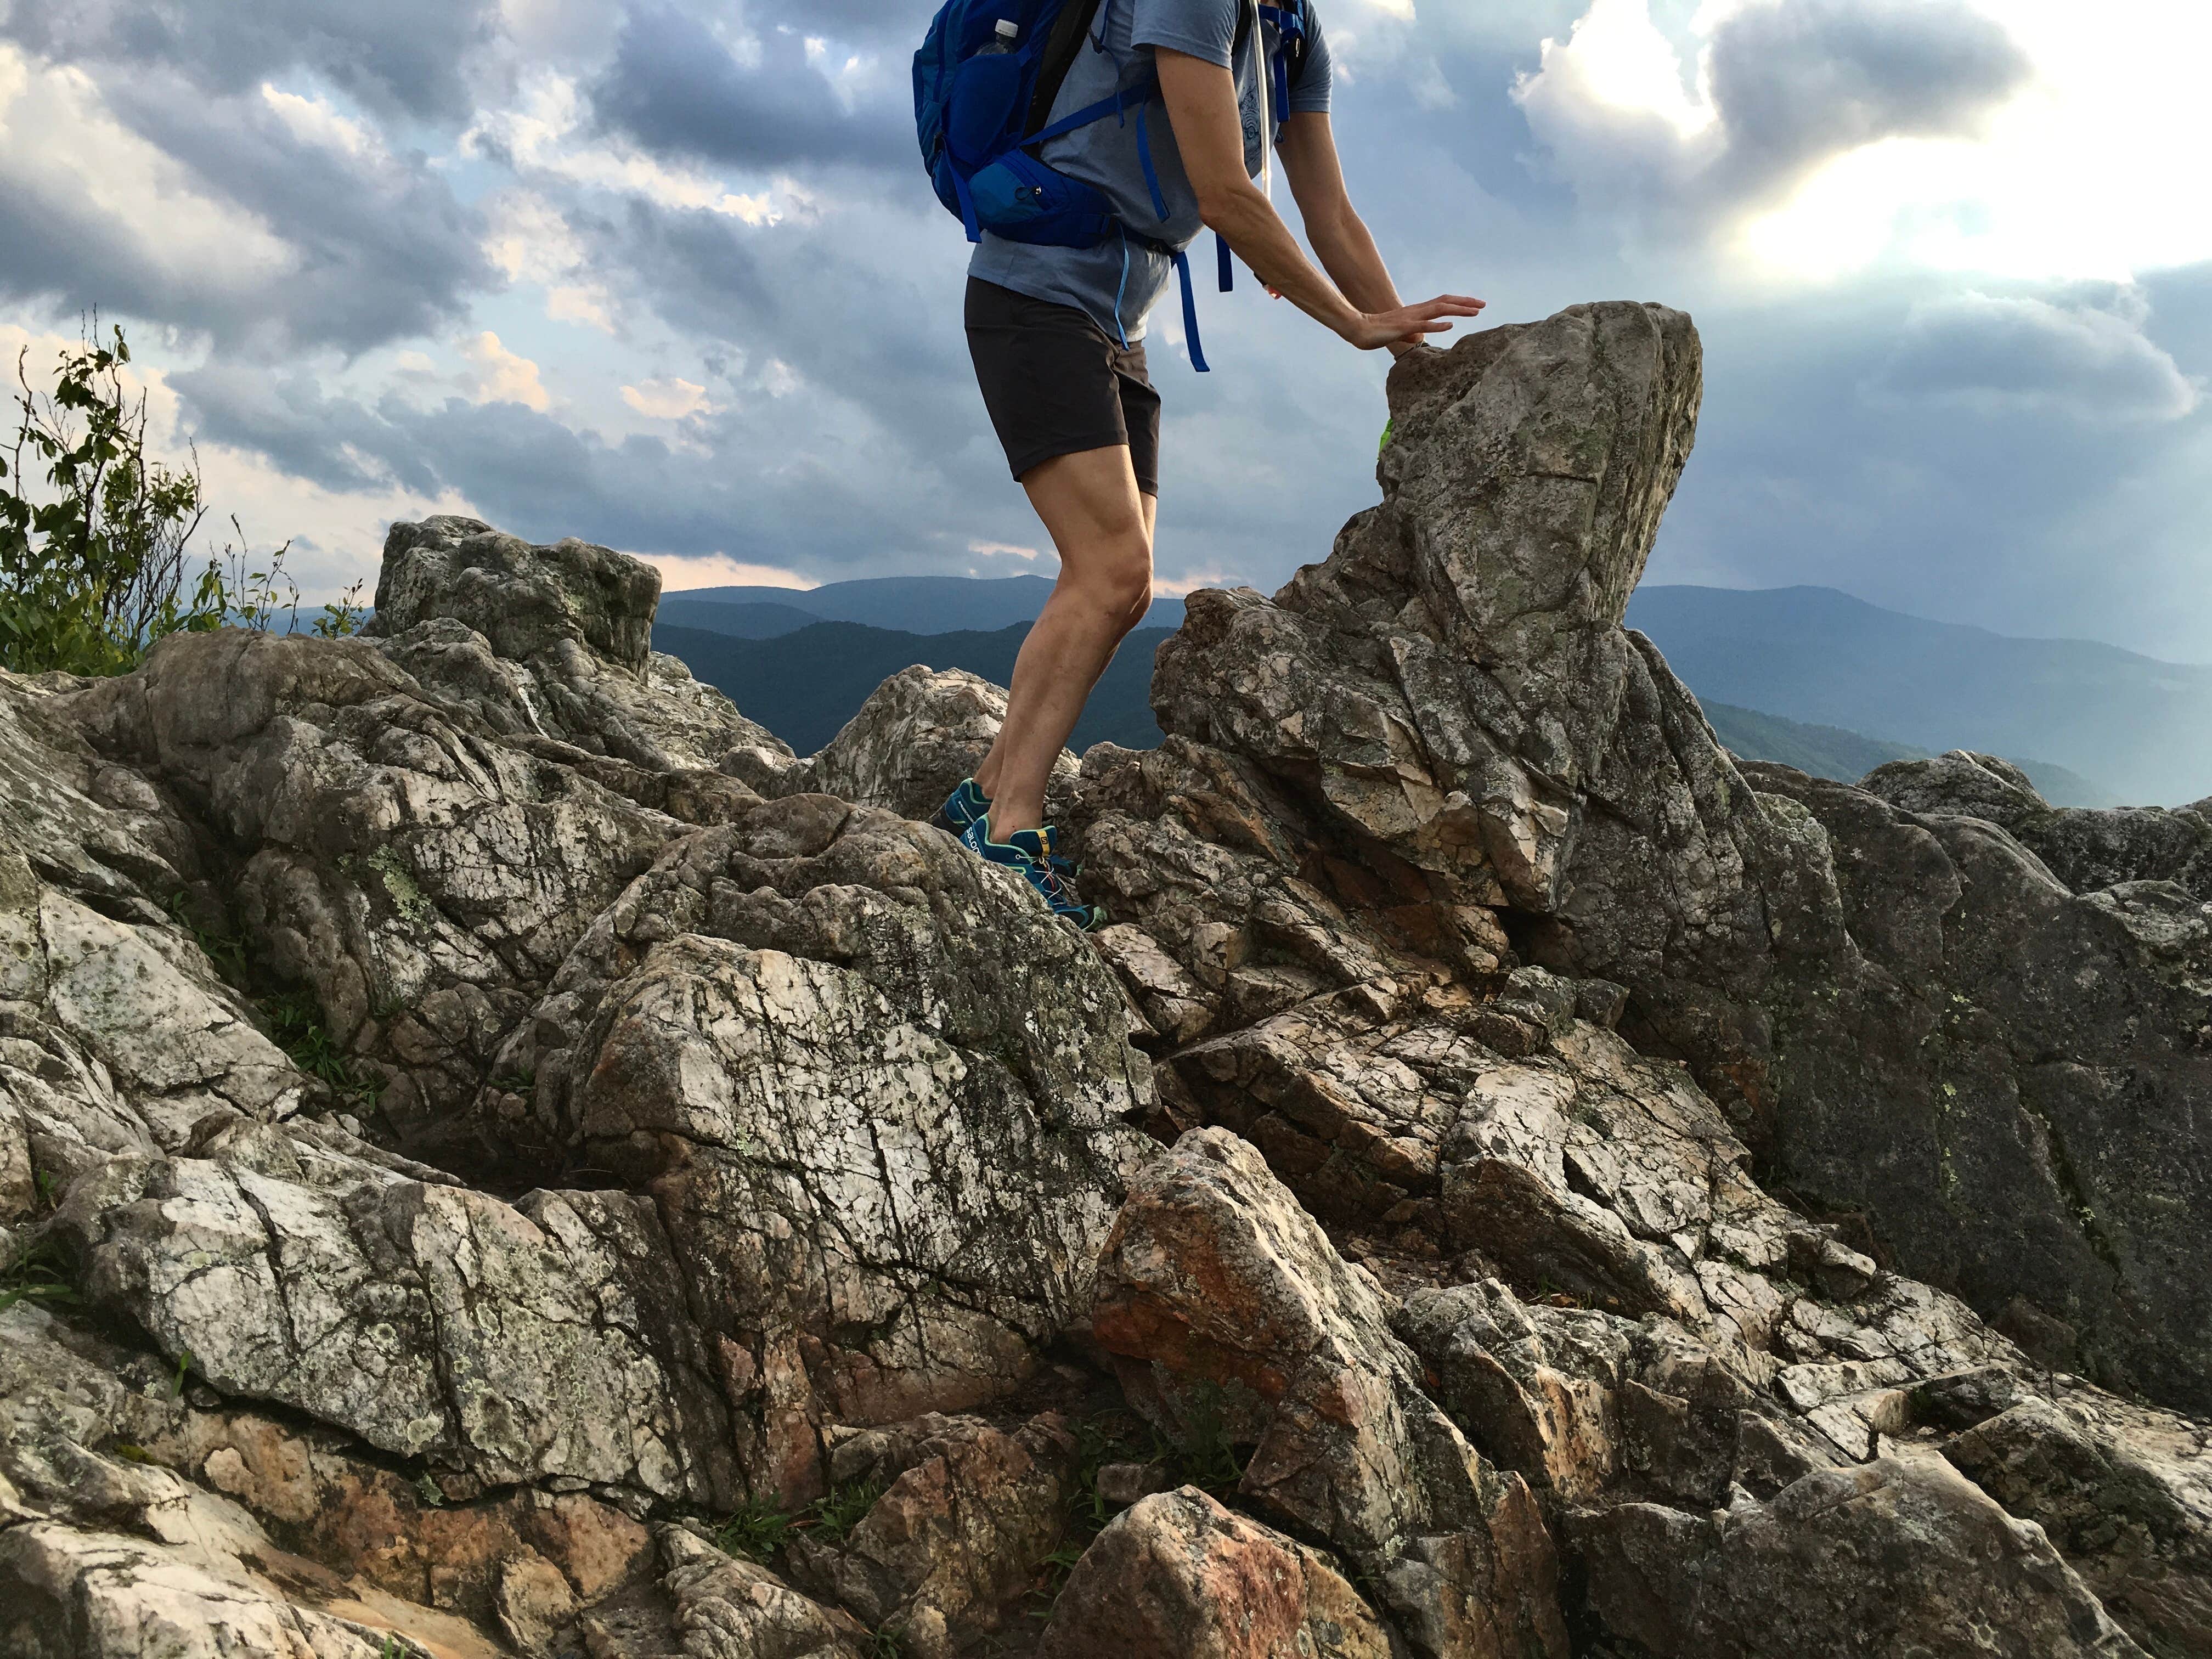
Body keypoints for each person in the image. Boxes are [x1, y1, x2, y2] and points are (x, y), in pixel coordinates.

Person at [941, 0, 1486, 927]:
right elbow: (1228, 196)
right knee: (1115, 573)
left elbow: (1328, 210)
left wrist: (1412, 354)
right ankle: (1006, 828)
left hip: (1119, 321)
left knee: (1111, 581)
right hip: (1033, 294)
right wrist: (1353, 327)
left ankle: (983, 796)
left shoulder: (1293, 33)